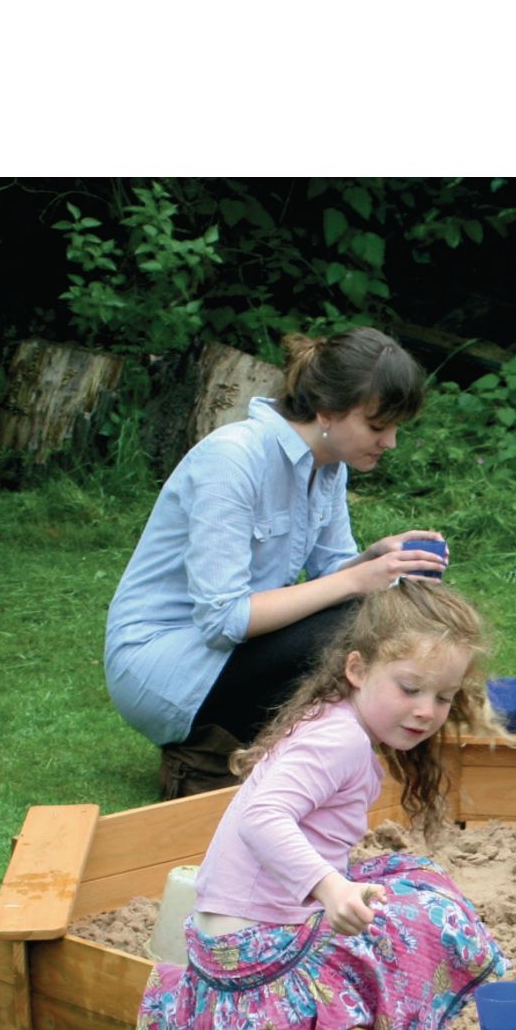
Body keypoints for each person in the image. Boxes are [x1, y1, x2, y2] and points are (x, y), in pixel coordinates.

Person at [132, 580, 507, 1030]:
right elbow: (262, 815)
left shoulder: (335, 717)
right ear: (357, 668)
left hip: (226, 947)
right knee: (427, 914)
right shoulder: (340, 742)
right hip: (255, 963)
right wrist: (330, 886)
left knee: (409, 874)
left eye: (443, 696)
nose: (426, 711)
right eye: (410, 688)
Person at [105, 328, 452, 800]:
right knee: (355, 622)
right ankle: (214, 758)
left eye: (395, 427)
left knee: (384, 611)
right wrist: (356, 580)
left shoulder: (329, 464)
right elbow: (223, 619)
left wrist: (373, 561)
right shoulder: (233, 459)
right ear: (327, 411)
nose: (390, 442)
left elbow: (333, 574)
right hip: (166, 664)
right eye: (377, 426)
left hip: (233, 651)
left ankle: (321, 762)